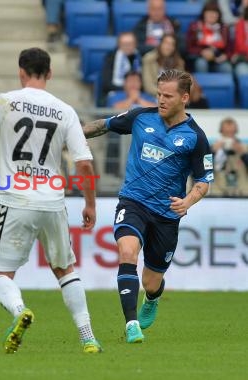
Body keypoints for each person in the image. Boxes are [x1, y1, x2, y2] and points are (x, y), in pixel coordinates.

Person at [0, 47, 102, 354]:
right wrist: (90, 204)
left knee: (0, 273)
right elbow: (85, 164)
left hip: (16, 200)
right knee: (65, 270)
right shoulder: (65, 111)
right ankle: (88, 336)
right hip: (53, 201)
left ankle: (19, 310)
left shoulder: (5, 101)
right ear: (49, 74)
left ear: (21, 72)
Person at [82, 69, 213, 343]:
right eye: (158, 94)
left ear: (185, 98)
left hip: (167, 214)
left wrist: (188, 200)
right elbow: (102, 126)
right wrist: (70, 134)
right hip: (134, 201)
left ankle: (152, 298)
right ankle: (131, 324)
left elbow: (203, 180)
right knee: (127, 251)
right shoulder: (140, 117)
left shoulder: (195, 137)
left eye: (168, 96)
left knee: (151, 282)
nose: (161, 100)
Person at [211, 117, 248, 196]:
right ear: (221, 131)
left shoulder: (245, 148)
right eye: (226, 132)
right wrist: (213, 153)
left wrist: (244, 155)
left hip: (242, 192)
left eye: (231, 133)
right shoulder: (213, 148)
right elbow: (202, 170)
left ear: (236, 132)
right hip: (218, 192)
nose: (229, 136)